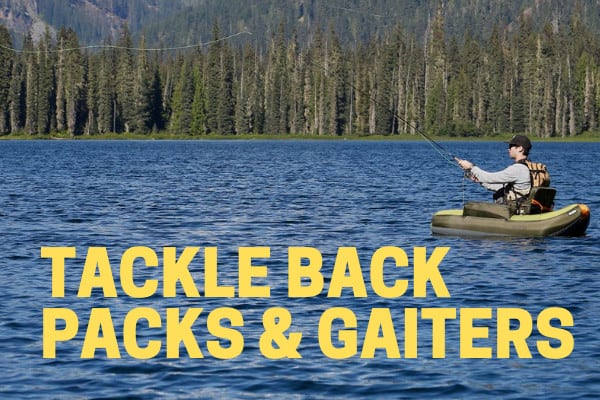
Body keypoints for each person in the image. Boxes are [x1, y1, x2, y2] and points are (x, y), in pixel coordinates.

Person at [456, 135, 532, 204]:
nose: (508, 149)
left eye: (510, 146)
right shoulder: (530, 166)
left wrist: (471, 167)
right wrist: (480, 181)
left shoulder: (517, 169)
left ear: (520, 149)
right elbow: (500, 187)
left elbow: (490, 178)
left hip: (515, 208)